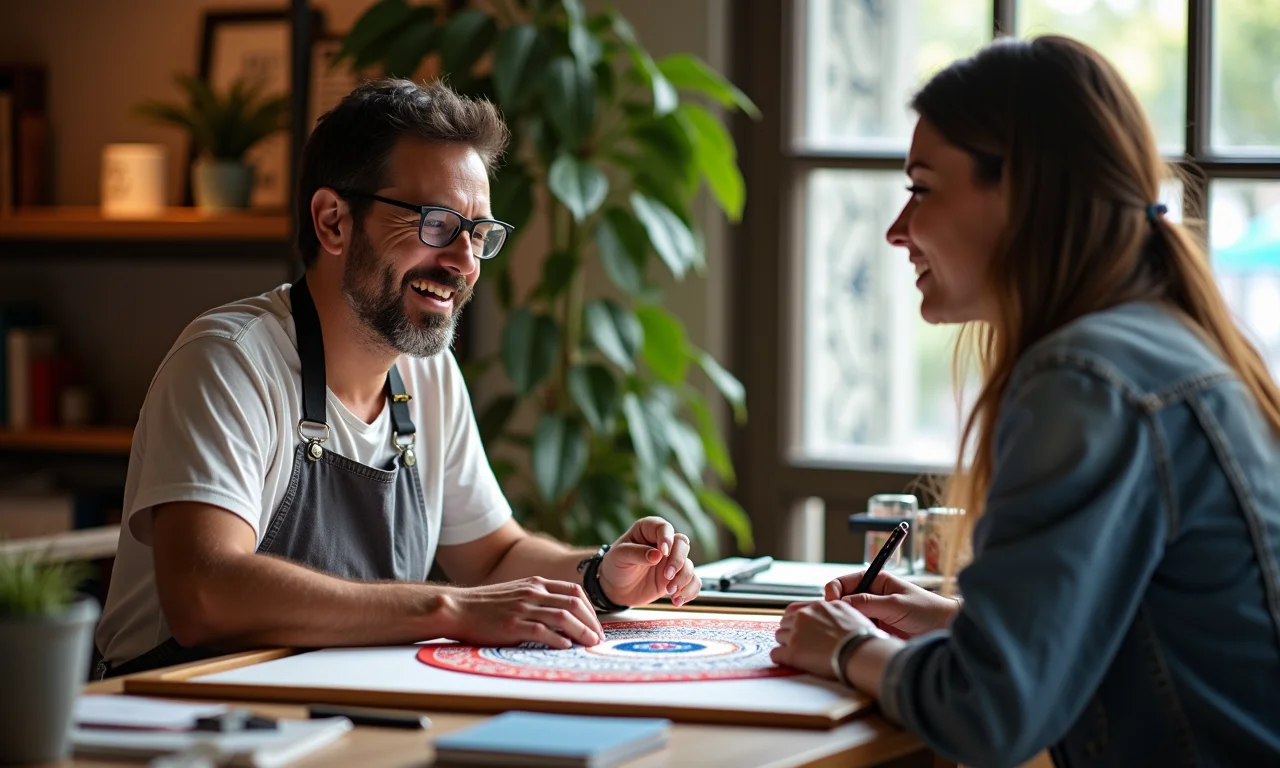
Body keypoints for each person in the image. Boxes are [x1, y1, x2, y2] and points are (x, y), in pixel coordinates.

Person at [771, 36, 1280, 767]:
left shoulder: (1083, 379)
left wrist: (846, 648)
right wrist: (958, 623)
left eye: (921, 187)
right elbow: (1146, 632)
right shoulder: (1160, 344)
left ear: (1020, 189)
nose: (897, 231)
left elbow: (988, 709)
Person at [94, 79, 701, 677]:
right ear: (333, 221)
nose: (464, 262)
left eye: (479, 234)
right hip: (177, 718)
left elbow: (494, 556)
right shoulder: (230, 362)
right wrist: (448, 607)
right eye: (436, 223)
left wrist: (600, 576)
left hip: (336, 708)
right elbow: (204, 595)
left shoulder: (427, 375)